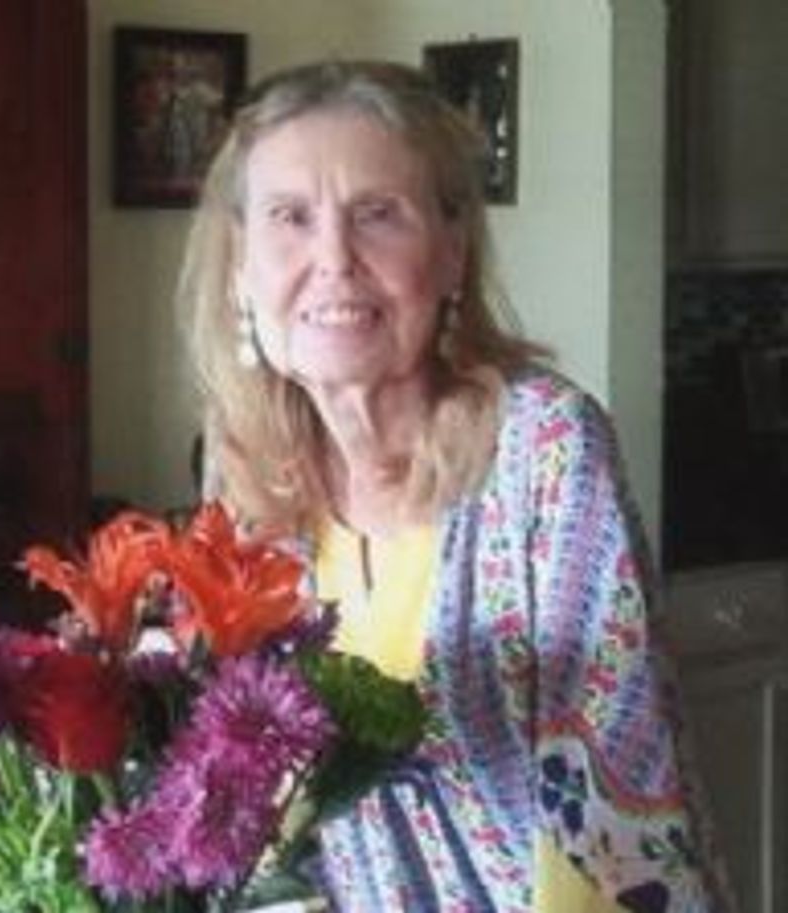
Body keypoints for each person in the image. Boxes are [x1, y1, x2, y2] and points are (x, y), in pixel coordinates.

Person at [176, 59, 736, 912]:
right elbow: (261, 806)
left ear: (451, 253)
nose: (333, 259)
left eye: (378, 214)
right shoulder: (243, 469)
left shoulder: (544, 447)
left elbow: (615, 815)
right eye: (290, 217)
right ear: (240, 266)